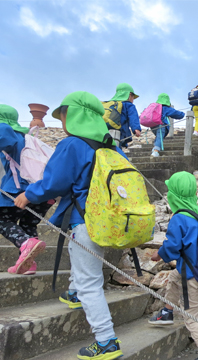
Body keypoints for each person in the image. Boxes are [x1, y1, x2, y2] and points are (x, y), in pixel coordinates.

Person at [14, 91, 126, 359]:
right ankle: (75, 294)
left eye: (63, 115)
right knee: (87, 268)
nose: (62, 121)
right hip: (110, 221)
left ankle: (106, 340)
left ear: (74, 115)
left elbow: (55, 182)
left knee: (90, 282)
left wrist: (28, 195)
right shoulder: (112, 146)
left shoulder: (73, 144)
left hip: (83, 220)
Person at [148, 171, 198, 360]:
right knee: (172, 278)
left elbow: (172, 246)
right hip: (194, 269)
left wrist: (159, 255)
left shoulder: (180, 218)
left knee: (191, 314)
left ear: (174, 195)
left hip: (191, 276)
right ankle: (167, 311)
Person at [0, 104, 52, 275]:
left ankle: (24, 243)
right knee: (29, 224)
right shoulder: (29, 139)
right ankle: (28, 264)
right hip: (43, 191)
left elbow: (3, 132)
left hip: (19, 190)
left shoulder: (8, 133)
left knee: (2, 220)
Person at [151, 93, 185, 157]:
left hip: (152, 125)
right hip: (161, 125)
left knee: (159, 136)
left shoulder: (154, 107)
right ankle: (155, 151)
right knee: (160, 136)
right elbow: (177, 114)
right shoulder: (165, 108)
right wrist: (183, 114)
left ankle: (155, 147)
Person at [109, 83, 141, 148]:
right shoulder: (129, 105)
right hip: (120, 132)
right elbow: (133, 117)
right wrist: (136, 129)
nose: (133, 100)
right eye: (133, 97)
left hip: (106, 132)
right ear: (129, 95)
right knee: (117, 150)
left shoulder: (110, 104)